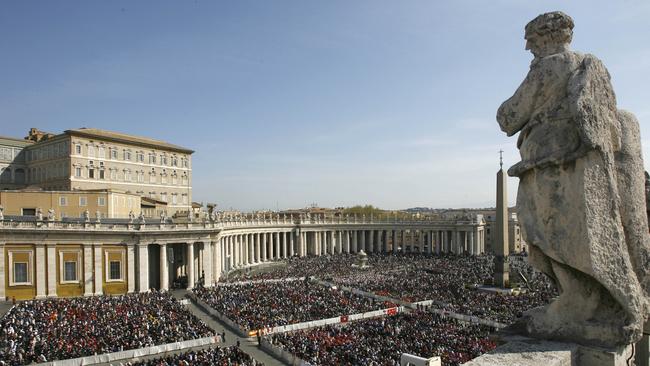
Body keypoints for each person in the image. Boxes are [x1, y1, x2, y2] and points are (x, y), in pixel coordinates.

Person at [497, 11, 649, 347]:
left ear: (548, 36)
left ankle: (578, 301)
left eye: (531, 39)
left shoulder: (549, 67)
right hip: (581, 170)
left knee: (546, 233)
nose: (527, 46)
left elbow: (509, 117)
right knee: (577, 236)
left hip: (550, 167)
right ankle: (591, 300)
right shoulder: (592, 66)